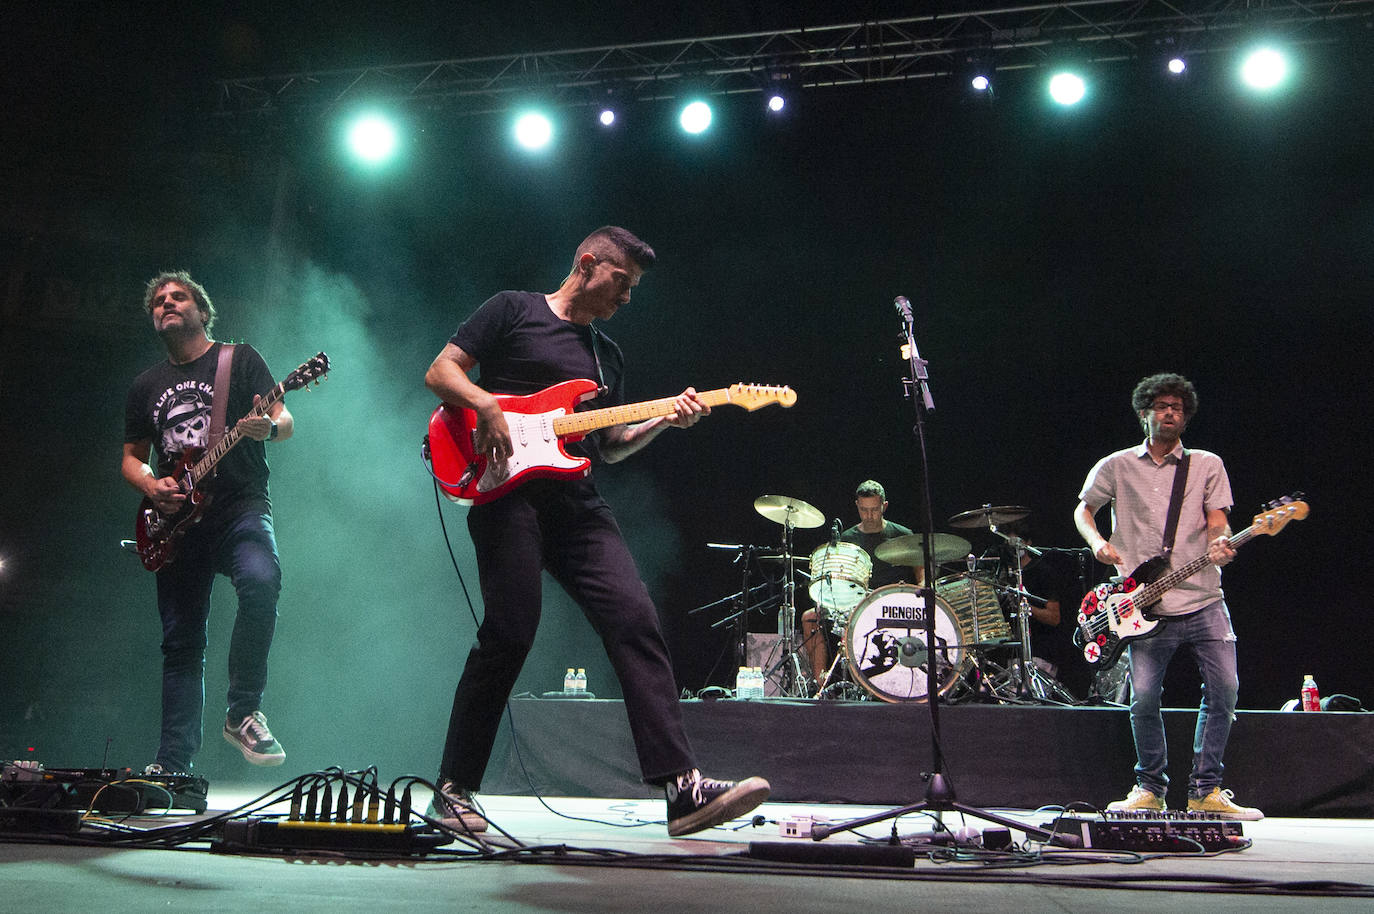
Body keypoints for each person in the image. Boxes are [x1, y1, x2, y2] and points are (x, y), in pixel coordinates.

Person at [424, 227, 769, 836]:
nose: (628, 299)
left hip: (576, 502)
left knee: (635, 619)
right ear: (587, 264)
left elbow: (608, 447)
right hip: (506, 493)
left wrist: (665, 420)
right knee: (510, 631)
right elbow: (441, 371)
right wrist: (488, 405)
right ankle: (453, 789)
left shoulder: (606, 356)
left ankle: (681, 789)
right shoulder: (514, 310)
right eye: (623, 283)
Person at [122, 271, 290, 774]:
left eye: (177, 297)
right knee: (181, 642)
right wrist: (152, 487)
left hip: (239, 505)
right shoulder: (145, 385)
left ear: (202, 309)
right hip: (176, 523)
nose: (166, 304)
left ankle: (242, 713)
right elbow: (131, 458)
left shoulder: (238, 360)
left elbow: (285, 419)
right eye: (157, 301)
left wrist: (267, 427)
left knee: (262, 582)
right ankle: (172, 764)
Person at [1073, 372, 1261, 820]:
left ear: (1186, 415)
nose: (1170, 412)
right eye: (1161, 406)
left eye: (1177, 406)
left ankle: (1206, 791)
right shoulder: (1116, 465)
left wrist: (1222, 541)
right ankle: (1149, 788)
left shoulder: (1207, 464)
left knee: (1226, 691)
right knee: (1143, 697)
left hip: (1203, 598)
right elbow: (1083, 509)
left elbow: (1218, 520)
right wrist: (1097, 542)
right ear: (1144, 414)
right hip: (1142, 604)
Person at [801, 480, 919, 689]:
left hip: (891, 604)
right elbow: (838, 581)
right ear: (857, 505)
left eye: (874, 510)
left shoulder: (903, 535)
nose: (869, 515)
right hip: (855, 604)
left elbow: (922, 574)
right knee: (811, 616)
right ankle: (821, 683)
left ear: (884, 506)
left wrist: (917, 593)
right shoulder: (847, 538)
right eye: (864, 510)